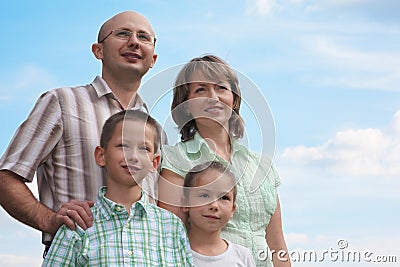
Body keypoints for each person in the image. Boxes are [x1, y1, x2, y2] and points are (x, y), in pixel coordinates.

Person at [0, 10, 159, 254]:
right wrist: (49, 220)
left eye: (143, 37)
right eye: (122, 33)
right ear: (98, 51)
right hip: (76, 254)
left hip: (144, 256)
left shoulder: (154, 128)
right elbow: (6, 177)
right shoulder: (62, 102)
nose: (134, 42)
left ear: (153, 59)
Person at [158, 54, 291, 266]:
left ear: (234, 98)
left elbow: (277, 245)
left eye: (221, 87)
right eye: (201, 89)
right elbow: (170, 239)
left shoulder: (261, 166)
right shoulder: (176, 160)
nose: (213, 97)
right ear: (186, 105)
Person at [42, 110, 193, 266]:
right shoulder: (78, 226)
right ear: (101, 156)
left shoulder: (171, 227)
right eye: (123, 145)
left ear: (154, 163)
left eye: (144, 148)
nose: (133, 156)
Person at [183, 161, 255, 267]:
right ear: (185, 203)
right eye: (204, 195)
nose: (214, 205)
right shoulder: (173, 253)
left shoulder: (243, 256)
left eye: (224, 198)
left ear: (232, 209)